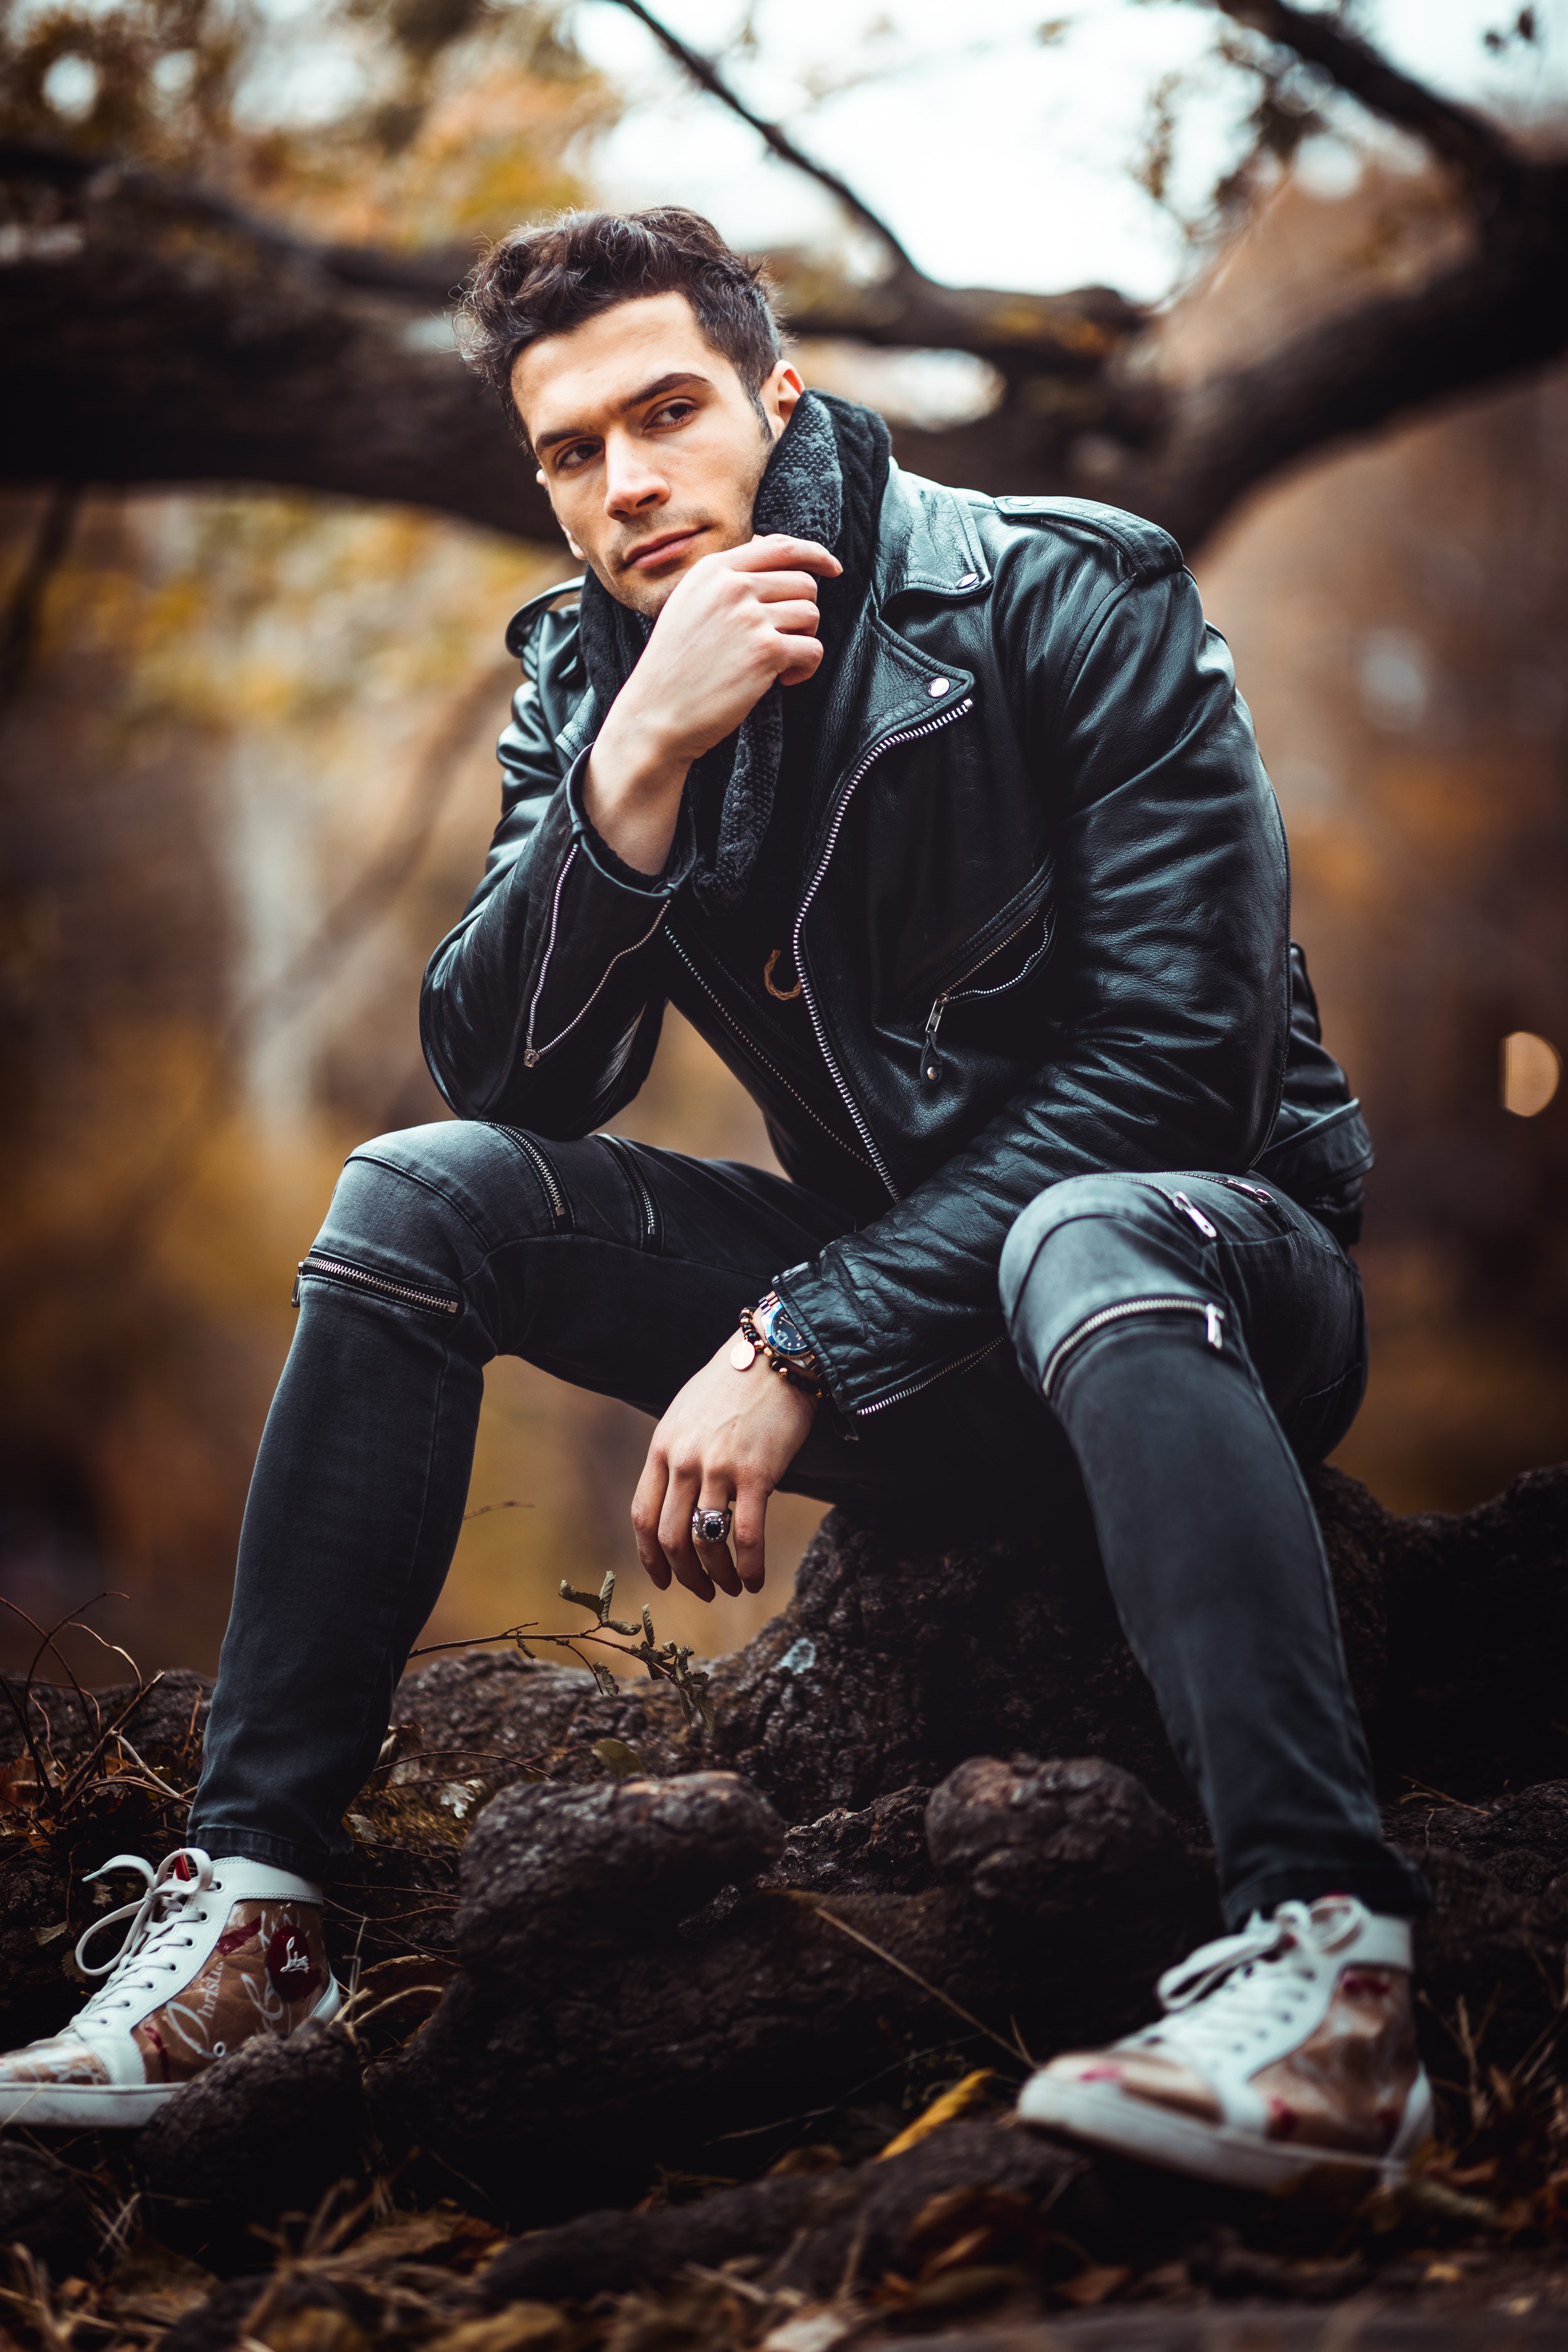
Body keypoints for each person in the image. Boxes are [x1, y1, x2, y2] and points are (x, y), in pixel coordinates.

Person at [0, 207, 1432, 2187]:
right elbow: (510, 1078)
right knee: (420, 1195)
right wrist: (627, 774)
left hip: (1196, 1302)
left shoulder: (1062, 598)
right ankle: (257, 1927)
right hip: (927, 1356)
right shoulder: (591, 684)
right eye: (570, 453)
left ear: (776, 392)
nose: (625, 482)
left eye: (665, 412)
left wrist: (797, 1336)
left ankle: (1332, 1979)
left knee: (1077, 1226)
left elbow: (1177, 1081)